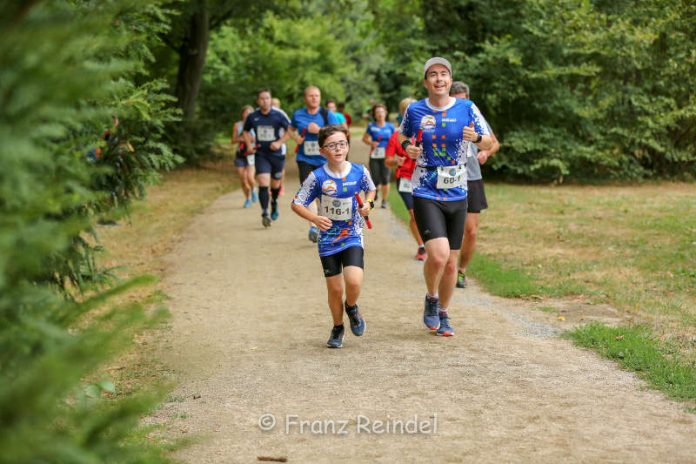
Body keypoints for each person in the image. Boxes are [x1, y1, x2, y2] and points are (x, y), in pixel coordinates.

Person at [398, 57, 493, 337]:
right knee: (438, 257)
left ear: (450, 80)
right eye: (433, 75)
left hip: (457, 189)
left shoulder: (466, 108)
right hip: (426, 188)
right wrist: (408, 149)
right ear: (426, 82)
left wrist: (475, 138)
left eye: (444, 74)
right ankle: (431, 297)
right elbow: (402, 136)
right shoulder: (415, 110)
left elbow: (489, 142)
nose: (439, 79)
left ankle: (444, 313)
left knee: (452, 261)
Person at [291, 125, 376, 348]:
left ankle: (352, 306)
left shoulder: (359, 171)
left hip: (352, 234)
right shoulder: (316, 177)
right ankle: (338, 327)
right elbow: (297, 203)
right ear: (322, 151)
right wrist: (315, 218)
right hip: (328, 238)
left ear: (347, 145)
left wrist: (368, 204)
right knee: (335, 288)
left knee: (354, 281)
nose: (338, 149)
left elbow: (371, 191)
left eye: (342, 144)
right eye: (331, 145)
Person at [450, 82, 500, 288]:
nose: (462, 104)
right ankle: (447, 266)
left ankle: (461, 271)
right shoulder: (444, 117)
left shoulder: (475, 115)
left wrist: (485, 152)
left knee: (470, 230)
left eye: (465, 100)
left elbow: (495, 142)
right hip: (449, 178)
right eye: (458, 101)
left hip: (472, 178)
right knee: (448, 229)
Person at [289, 85, 340, 242]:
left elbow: (337, 134)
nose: (314, 98)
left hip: (324, 160)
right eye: (311, 96)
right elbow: (290, 129)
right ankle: (313, 226)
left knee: (325, 194)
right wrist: (295, 138)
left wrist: (319, 130)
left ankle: (324, 224)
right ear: (305, 98)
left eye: (317, 95)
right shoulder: (298, 114)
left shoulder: (327, 115)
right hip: (305, 158)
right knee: (309, 191)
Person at [242, 89, 291, 227]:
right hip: (261, 154)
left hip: (276, 155)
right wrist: (249, 145)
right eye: (262, 98)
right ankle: (265, 212)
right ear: (258, 101)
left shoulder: (279, 115)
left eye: (267, 98)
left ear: (271, 99)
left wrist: (279, 142)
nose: (265, 101)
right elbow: (245, 131)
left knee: (275, 184)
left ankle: (274, 202)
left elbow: (291, 130)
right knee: (263, 182)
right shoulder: (253, 116)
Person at [385, 97, 426, 261]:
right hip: (405, 179)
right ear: (403, 114)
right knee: (414, 214)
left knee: (426, 214)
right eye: (408, 110)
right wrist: (396, 160)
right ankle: (422, 246)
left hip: (425, 178)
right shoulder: (396, 136)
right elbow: (387, 160)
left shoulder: (428, 131)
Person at [362, 103, 395, 209]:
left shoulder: (390, 126)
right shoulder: (371, 126)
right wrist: (371, 143)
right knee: (375, 178)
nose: (380, 114)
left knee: (385, 179)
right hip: (375, 156)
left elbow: (395, 140)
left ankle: (384, 200)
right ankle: (375, 192)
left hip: (387, 156)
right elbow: (365, 139)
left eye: (382, 112)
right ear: (374, 115)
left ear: (385, 113)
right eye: (377, 112)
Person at [232, 105, 257, 208]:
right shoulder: (237, 125)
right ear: (242, 114)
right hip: (240, 154)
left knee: (250, 177)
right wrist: (241, 139)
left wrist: (251, 139)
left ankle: (254, 189)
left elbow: (258, 139)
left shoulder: (256, 125)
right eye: (245, 112)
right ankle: (247, 198)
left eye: (250, 113)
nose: (247, 115)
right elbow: (233, 140)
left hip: (252, 154)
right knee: (243, 178)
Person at [272, 97, 290, 196]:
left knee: (280, 167)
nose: (273, 106)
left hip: (280, 145)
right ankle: (273, 186)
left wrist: (281, 141)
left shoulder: (282, 114)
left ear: (279, 106)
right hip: (268, 146)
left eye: (275, 104)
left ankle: (280, 186)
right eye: (272, 104)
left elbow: (289, 129)